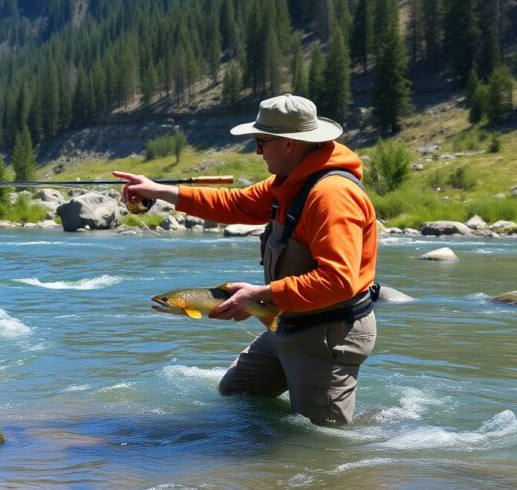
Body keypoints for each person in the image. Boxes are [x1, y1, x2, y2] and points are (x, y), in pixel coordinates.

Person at [114, 94, 378, 425]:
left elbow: (339, 282)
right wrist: (159, 191)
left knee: (320, 442)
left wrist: (259, 294)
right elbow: (236, 204)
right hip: (289, 322)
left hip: (326, 333)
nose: (256, 151)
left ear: (289, 145)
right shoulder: (291, 182)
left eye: (261, 141)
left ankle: (378, 431)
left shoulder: (331, 196)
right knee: (240, 392)